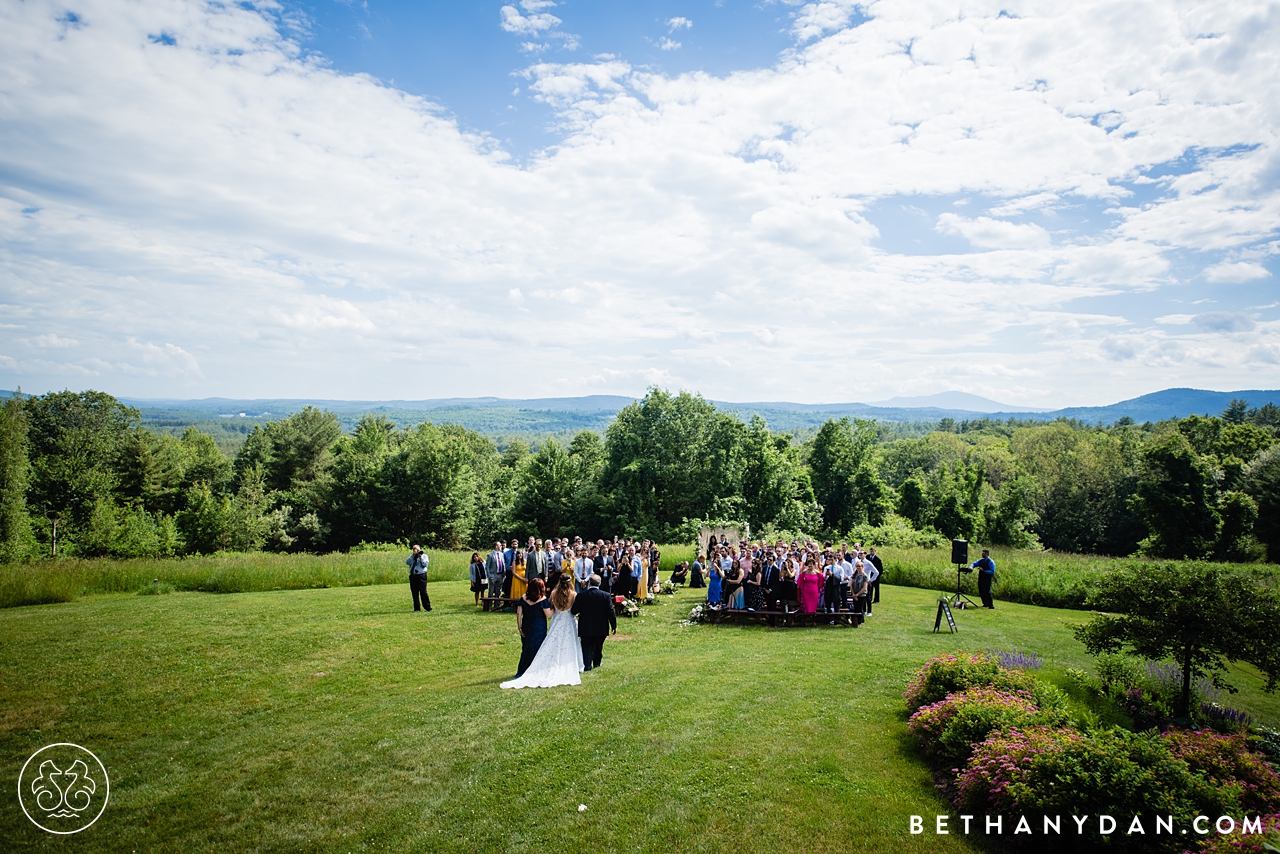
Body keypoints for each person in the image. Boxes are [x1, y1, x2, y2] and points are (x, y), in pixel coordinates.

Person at [501, 575, 584, 690]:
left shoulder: (554, 594)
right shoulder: (574, 595)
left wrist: (519, 627)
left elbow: (521, 613)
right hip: (567, 622)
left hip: (554, 621)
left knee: (549, 643)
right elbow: (570, 610)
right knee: (570, 643)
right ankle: (572, 663)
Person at [571, 574, 617, 671]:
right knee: (598, 646)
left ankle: (587, 665)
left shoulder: (582, 596)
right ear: (599, 584)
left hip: (586, 626)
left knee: (586, 646)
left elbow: (574, 610)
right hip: (601, 626)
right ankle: (597, 662)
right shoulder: (605, 596)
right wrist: (614, 626)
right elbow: (610, 612)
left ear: (589, 583)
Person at [513, 578, 553, 677]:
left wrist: (520, 627)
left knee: (526, 648)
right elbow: (549, 615)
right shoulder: (542, 600)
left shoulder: (523, 598)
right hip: (539, 627)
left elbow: (519, 614)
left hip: (527, 625)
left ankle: (523, 669)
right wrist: (555, 608)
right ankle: (536, 669)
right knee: (538, 648)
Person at [405, 545, 431, 612]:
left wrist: (421, 557)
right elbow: (407, 562)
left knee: (423, 592)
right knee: (414, 592)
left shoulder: (424, 556)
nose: (416, 551)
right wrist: (413, 555)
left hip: (421, 576)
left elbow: (425, 564)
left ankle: (427, 607)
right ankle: (417, 608)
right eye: (414, 549)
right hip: (413, 576)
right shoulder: (412, 557)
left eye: (417, 549)